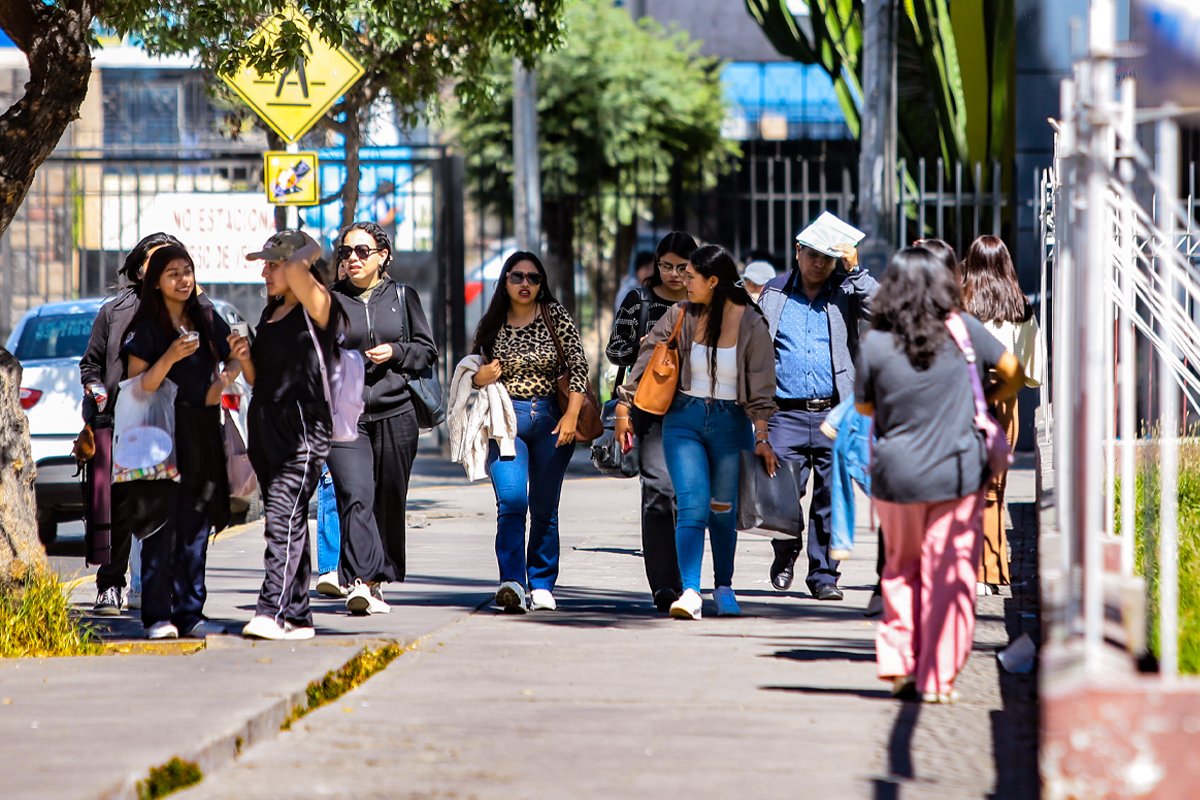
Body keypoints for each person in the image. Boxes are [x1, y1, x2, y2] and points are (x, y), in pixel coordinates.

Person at [854, 247, 1023, 702]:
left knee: (900, 570)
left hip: (897, 477)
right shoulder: (963, 329)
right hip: (957, 474)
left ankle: (898, 662)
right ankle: (938, 677)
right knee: (948, 575)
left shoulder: (874, 342)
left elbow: (865, 407)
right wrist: (983, 399)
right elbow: (1014, 371)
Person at [615, 244, 779, 620]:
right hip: (683, 419)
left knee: (723, 508)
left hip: (730, 423)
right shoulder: (679, 314)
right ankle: (690, 591)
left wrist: (762, 435)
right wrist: (624, 405)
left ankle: (723, 587)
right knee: (691, 504)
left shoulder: (751, 322)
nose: (682, 282)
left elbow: (762, 383)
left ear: (714, 280)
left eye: (691, 277)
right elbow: (644, 362)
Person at [757, 219, 878, 600]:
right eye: (813, 256)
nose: (819, 265)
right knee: (782, 493)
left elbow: (882, 309)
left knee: (829, 496)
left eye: (827, 259)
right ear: (798, 251)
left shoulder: (846, 290)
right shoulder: (775, 292)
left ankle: (824, 575)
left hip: (833, 412)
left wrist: (855, 270)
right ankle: (785, 549)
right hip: (785, 413)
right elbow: (758, 348)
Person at [120, 245, 237, 639]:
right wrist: (169, 356)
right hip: (159, 438)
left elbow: (236, 353)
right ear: (156, 281)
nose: (183, 280)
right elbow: (138, 387)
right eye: (173, 273)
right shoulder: (146, 327)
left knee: (195, 526)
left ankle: (191, 612)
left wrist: (220, 384)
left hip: (200, 431)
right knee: (159, 526)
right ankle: (157, 616)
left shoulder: (205, 317)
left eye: (187, 271)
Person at [325, 221, 438, 615]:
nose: (352, 259)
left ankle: (377, 580)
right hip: (346, 415)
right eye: (345, 252)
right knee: (356, 495)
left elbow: (427, 350)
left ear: (382, 256)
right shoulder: (331, 300)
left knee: (389, 498)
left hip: (396, 411)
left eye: (362, 251)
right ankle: (359, 579)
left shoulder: (403, 296)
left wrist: (397, 353)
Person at [470, 251, 590, 614]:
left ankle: (541, 583)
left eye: (533, 278)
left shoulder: (555, 316)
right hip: (506, 421)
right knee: (511, 502)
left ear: (542, 284)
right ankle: (511, 581)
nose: (525, 284)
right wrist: (481, 377)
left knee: (543, 507)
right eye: (517, 277)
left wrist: (571, 415)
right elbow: (474, 371)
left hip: (551, 419)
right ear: (504, 282)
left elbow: (579, 366)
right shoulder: (492, 322)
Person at [240, 229, 341, 640]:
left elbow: (303, 264)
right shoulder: (271, 312)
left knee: (280, 519)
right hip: (265, 429)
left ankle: (271, 610)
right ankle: (298, 615)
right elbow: (259, 379)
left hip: (302, 432)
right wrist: (244, 358)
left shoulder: (319, 307)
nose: (265, 271)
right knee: (290, 518)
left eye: (273, 263)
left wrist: (308, 246)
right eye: (264, 263)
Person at [81, 232, 183, 615]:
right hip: (116, 421)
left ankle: (162, 587)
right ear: (139, 266)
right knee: (117, 508)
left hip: (167, 422)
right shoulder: (114, 310)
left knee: (165, 508)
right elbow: (90, 363)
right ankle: (110, 586)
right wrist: (95, 388)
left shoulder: (184, 306)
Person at [605, 231, 695, 611]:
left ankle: (689, 578)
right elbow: (614, 350)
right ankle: (664, 584)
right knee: (659, 490)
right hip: (650, 407)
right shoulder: (639, 299)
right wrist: (643, 344)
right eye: (666, 266)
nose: (673, 274)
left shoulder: (702, 302)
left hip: (694, 407)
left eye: (681, 267)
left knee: (689, 496)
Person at [960, 235, 1045, 594]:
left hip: (967, 397)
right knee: (995, 491)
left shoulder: (961, 302)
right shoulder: (1019, 305)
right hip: (1005, 401)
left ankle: (967, 570)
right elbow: (1032, 371)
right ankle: (992, 572)